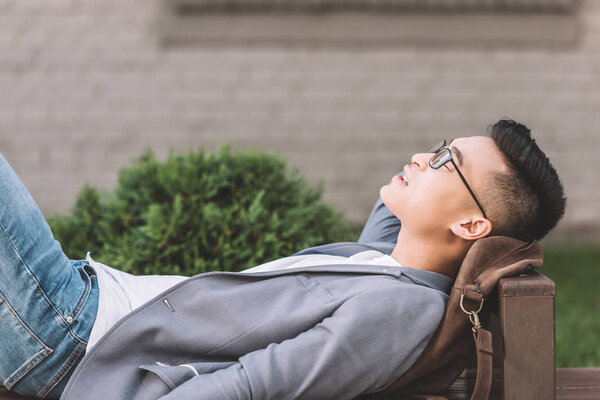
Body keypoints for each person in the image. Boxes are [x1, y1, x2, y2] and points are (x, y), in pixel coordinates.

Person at [0, 118, 566, 399]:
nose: (422, 156)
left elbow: (257, 384)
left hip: (79, 338)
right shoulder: (385, 261)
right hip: (90, 311)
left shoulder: (401, 311)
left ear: (470, 225)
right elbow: (402, 207)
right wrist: (458, 192)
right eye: (440, 145)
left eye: (445, 160)